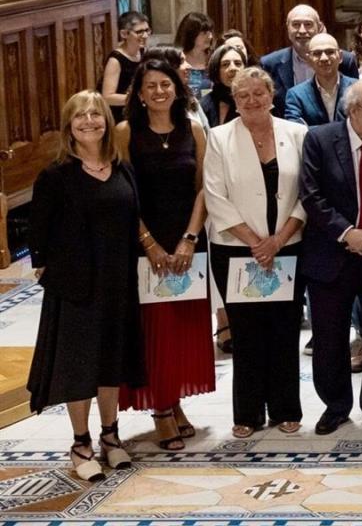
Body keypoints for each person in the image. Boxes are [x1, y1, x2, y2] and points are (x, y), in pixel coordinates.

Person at [28, 92, 146, 481]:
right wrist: (50, 273)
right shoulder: (56, 175)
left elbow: (132, 221)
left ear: (107, 123)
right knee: (78, 368)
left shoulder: (121, 168)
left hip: (117, 284)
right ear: (69, 126)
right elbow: (39, 235)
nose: (90, 121)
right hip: (76, 288)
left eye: (96, 114)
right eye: (80, 116)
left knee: (110, 363)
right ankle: (81, 443)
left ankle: (111, 437)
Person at [203, 67, 309, 438]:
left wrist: (278, 240)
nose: (252, 100)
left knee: (283, 330)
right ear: (234, 101)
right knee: (246, 334)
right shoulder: (218, 138)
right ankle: (247, 412)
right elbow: (215, 197)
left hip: (288, 247)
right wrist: (255, 242)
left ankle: (285, 409)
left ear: (272, 94)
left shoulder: (297, 133)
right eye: (243, 95)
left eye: (258, 93)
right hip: (235, 250)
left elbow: (307, 193)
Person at [113, 60, 214, 450]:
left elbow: (204, 187)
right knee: (155, 329)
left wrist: (189, 238)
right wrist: (149, 243)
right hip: (144, 245)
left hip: (187, 241)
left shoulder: (194, 129)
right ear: (138, 94)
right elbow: (124, 194)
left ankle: (174, 400)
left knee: (182, 326)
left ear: (177, 88)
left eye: (165, 84)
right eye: (150, 86)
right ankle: (161, 409)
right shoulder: (125, 133)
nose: (159, 91)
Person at [299, 77, 362, 435]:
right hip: (331, 255)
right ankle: (336, 405)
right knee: (330, 336)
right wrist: (347, 233)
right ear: (354, 110)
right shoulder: (320, 139)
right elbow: (311, 195)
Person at [260, 4, 358, 114]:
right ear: (287, 27)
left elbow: (355, 101)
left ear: (319, 27)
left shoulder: (346, 61)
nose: (302, 30)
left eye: (308, 24)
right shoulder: (269, 64)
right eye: (296, 25)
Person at [283, 33, 356, 127]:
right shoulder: (296, 95)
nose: (324, 58)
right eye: (317, 53)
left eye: (330, 52)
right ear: (309, 59)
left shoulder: (358, 88)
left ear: (340, 57)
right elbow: (296, 130)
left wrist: (312, 129)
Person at [100, 10, 151, 119]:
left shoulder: (143, 52)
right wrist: (140, 98)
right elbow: (107, 97)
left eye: (147, 30)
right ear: (124, 34)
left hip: (136, 111)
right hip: (119, 115)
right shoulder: (115, 60)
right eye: (139, 32)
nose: (145, 35)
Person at [202, 43, 250, 127]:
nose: (233, 68)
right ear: (216, 70)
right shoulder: (205, 105)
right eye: (225, 64)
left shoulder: (256, 100)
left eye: (238, 63)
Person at [175, 11, 216, 102]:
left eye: (210, 32)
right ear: (191, 34)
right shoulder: (176, 59)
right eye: (204, 33)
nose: (210, 36)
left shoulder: (215, 58)